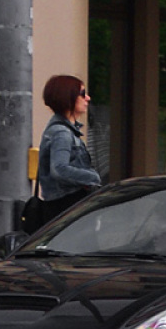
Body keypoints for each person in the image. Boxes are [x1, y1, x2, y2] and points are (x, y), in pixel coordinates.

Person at [37, 74, 101, 224]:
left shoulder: (66, 131)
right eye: (83, 94)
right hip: (66, 209)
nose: (88, 98)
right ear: (68, 97)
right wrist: (93, 178)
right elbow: (59, 169)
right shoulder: (62, 133)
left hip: (65, 208)